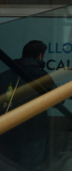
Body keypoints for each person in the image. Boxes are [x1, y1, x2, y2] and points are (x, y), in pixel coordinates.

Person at [0, 40, 56, 169]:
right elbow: (58, 98)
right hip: (33, 132)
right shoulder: (41, 76)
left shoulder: (6, 74)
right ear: (40, 56)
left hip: (7, 130)